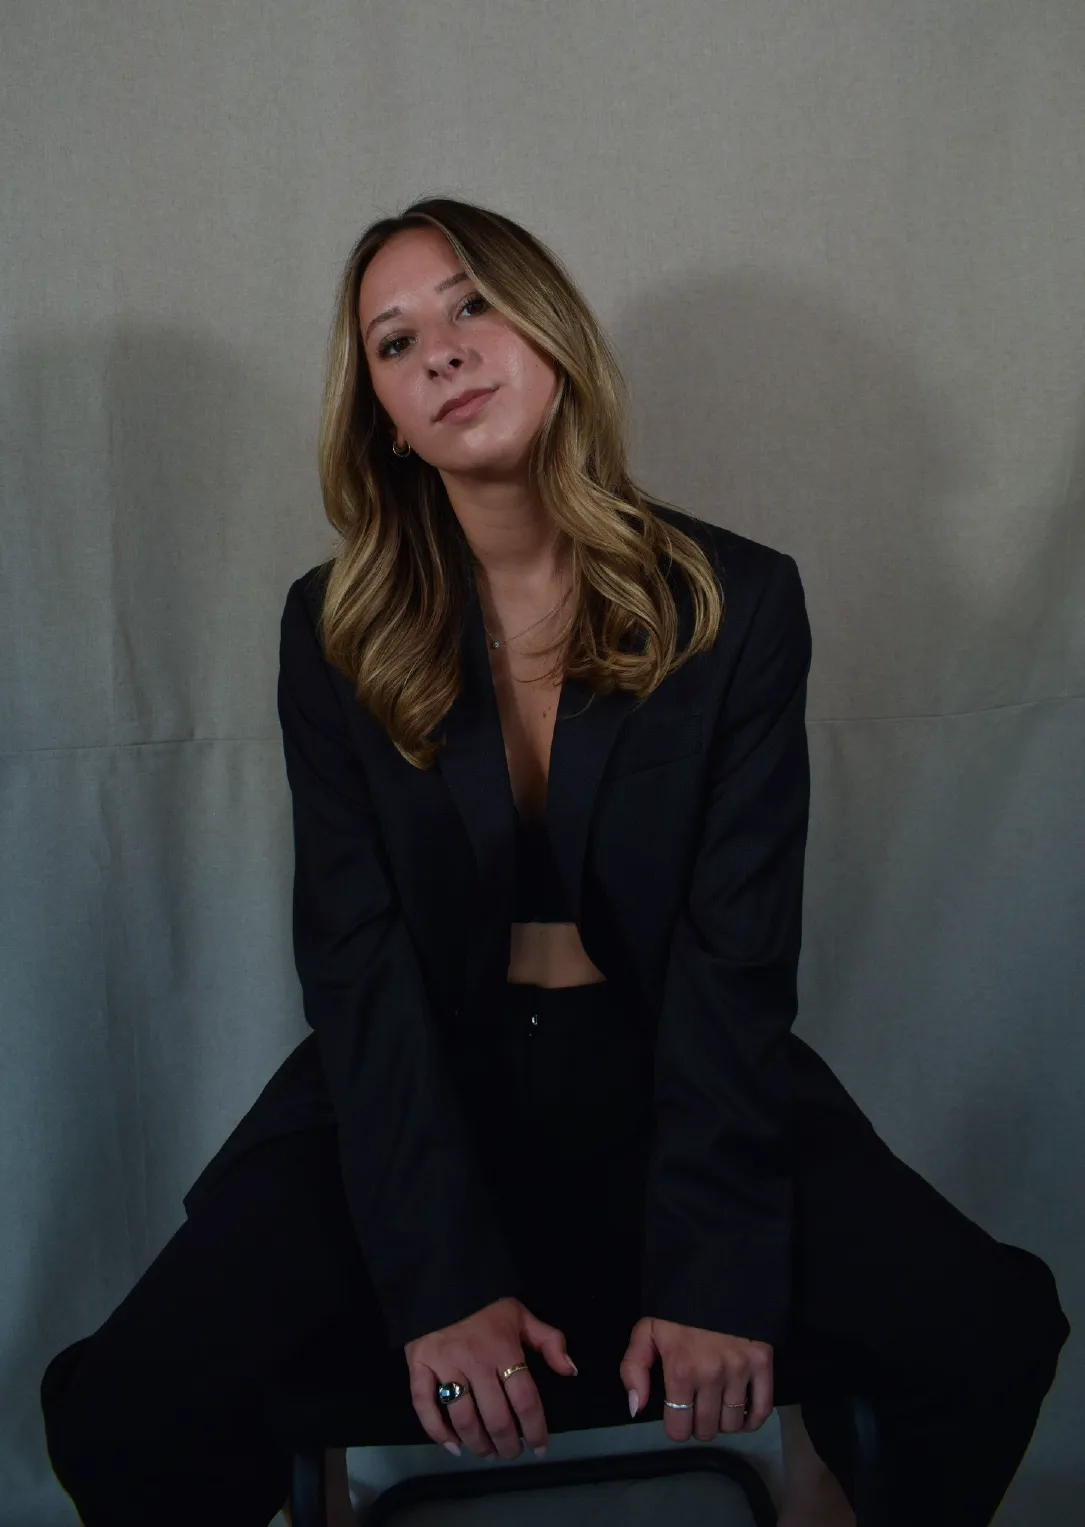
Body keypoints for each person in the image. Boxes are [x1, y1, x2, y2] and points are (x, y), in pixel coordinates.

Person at [40, 197, 1069, 1527]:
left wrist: (716, 1268)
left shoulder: (737, 602)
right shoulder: (333, 627)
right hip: (419, 1088)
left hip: (674, 1075)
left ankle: (826, 1482)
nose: (444, 350)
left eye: (474, 304)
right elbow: (354, 962)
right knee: (126, 1413)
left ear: (553, 333)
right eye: (397, 343)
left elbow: (738, 955)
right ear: (386, 419)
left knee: (986, 1335)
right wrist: (439, 1277)